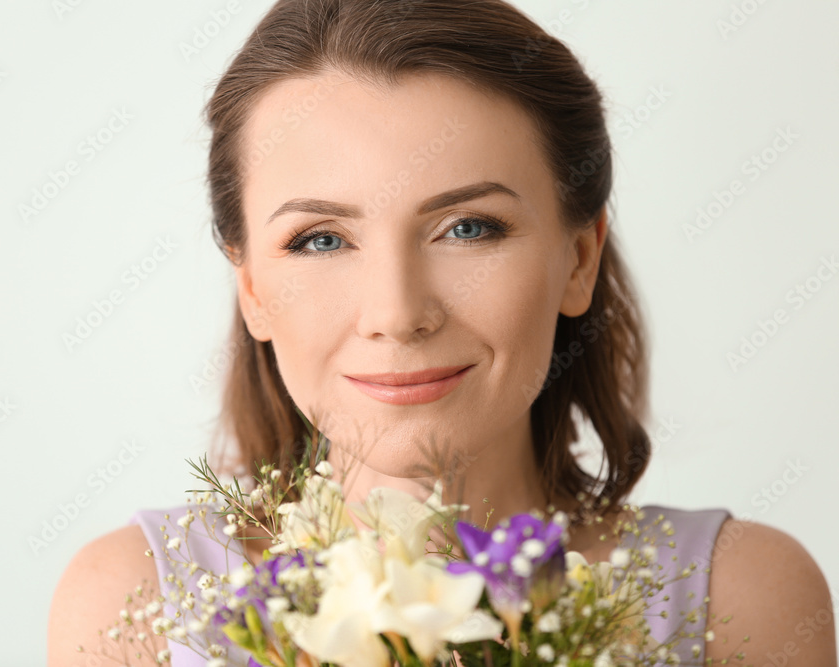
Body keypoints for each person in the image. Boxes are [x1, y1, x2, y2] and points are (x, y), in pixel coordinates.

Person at [48, 1, 836, 665]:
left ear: (578, 259)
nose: (397, 312)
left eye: (469, 227)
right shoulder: (137, 598)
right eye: (320, 238)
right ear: (251, 284)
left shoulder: (740, 597)